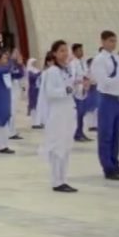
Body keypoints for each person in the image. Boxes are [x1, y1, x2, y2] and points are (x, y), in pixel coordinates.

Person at [89, 30, 119, 181]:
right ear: (103, 41)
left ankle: (116, 164)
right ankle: (107, 167)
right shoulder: (99, 60)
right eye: (110, 41)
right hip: (106, 98)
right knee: (106, 135)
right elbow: (104, 81)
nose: (113, 44)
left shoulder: (117, 58)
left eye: (115, 41)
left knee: (116, 135)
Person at [38, 40, 80, 192]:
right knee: (57, 146)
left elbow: (72, 91)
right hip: (57, 114)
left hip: (67, 111)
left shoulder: (66, 70)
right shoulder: (52, 72)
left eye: (66, 50)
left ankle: (63, 178)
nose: (64, 53)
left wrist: (79, 87)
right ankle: (56, 180)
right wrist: (68, 90)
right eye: (61, 51)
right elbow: (51, 93)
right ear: (54, 53)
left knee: (66, 145)